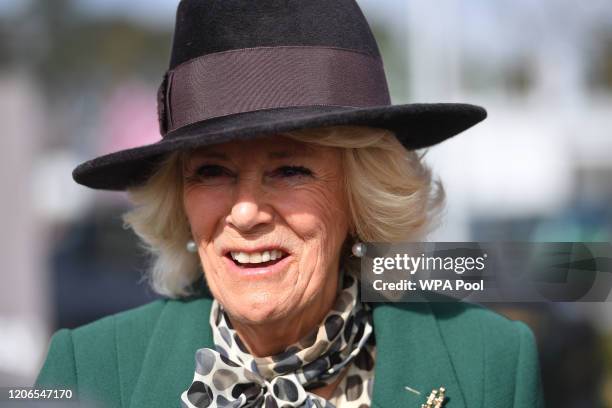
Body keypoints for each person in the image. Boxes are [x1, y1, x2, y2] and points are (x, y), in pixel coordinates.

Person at [35, 1, 545, 407]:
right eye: (212, 171)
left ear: (360, 194)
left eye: (289, 170)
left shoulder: (489, 361)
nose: (245, 212)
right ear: (179, 200)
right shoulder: (89, 371)